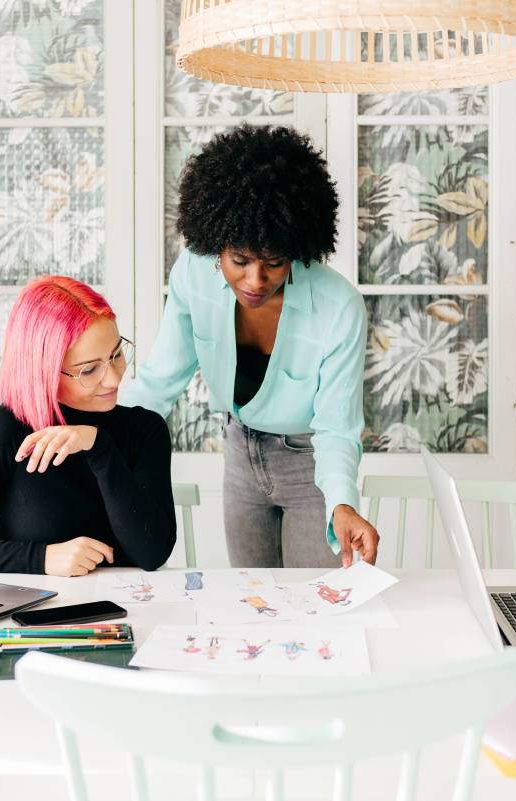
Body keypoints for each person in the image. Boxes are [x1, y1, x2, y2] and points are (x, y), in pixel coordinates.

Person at [140, 124, 381, 567]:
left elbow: (337, 426)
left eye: (273, 263)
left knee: (314, 611)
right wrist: (94, 432)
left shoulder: (338, 306)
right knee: (250, 605)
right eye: (239, 261)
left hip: (309, 466)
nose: (255, 282)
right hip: (239, 452)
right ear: (215, 244)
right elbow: (157, 382)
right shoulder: (193, 274)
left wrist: (342, 503)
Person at [0, 276, 176, 576]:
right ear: (43, 372)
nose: (113, 378)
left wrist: (99, 446)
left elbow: (152, 553)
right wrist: (41, 559)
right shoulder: (5, 432)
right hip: (40, 617)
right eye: (89, 369)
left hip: (136, 611)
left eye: (116, 355)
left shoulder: (145, 430)